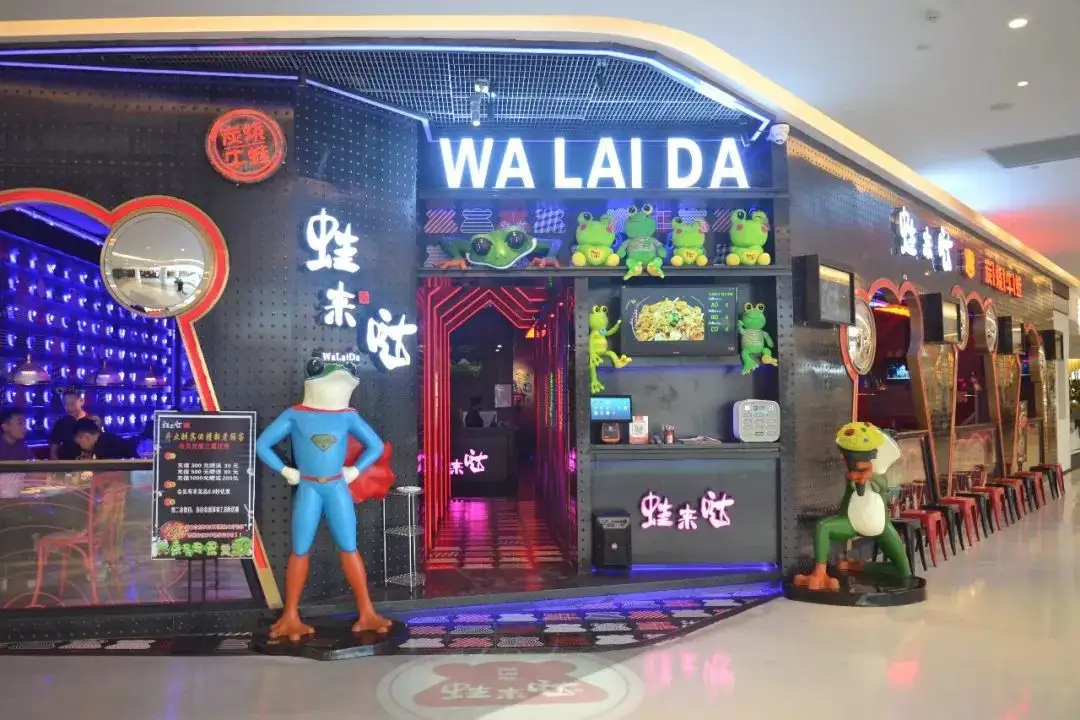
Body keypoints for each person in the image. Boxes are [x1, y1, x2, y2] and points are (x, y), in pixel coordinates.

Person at [59, 417, 136, 460]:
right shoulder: (106, 439)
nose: (80, 447)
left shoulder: (104, 447)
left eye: (79, 443)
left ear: (87, 437)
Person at [49, 390, 90, 459]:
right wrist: (56, 462)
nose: (69, 408)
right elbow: (54, 449)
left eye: (72, 404)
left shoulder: (93, 421)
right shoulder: (61, 423)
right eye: (65, 404)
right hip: (66, 463)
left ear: (82, 401)